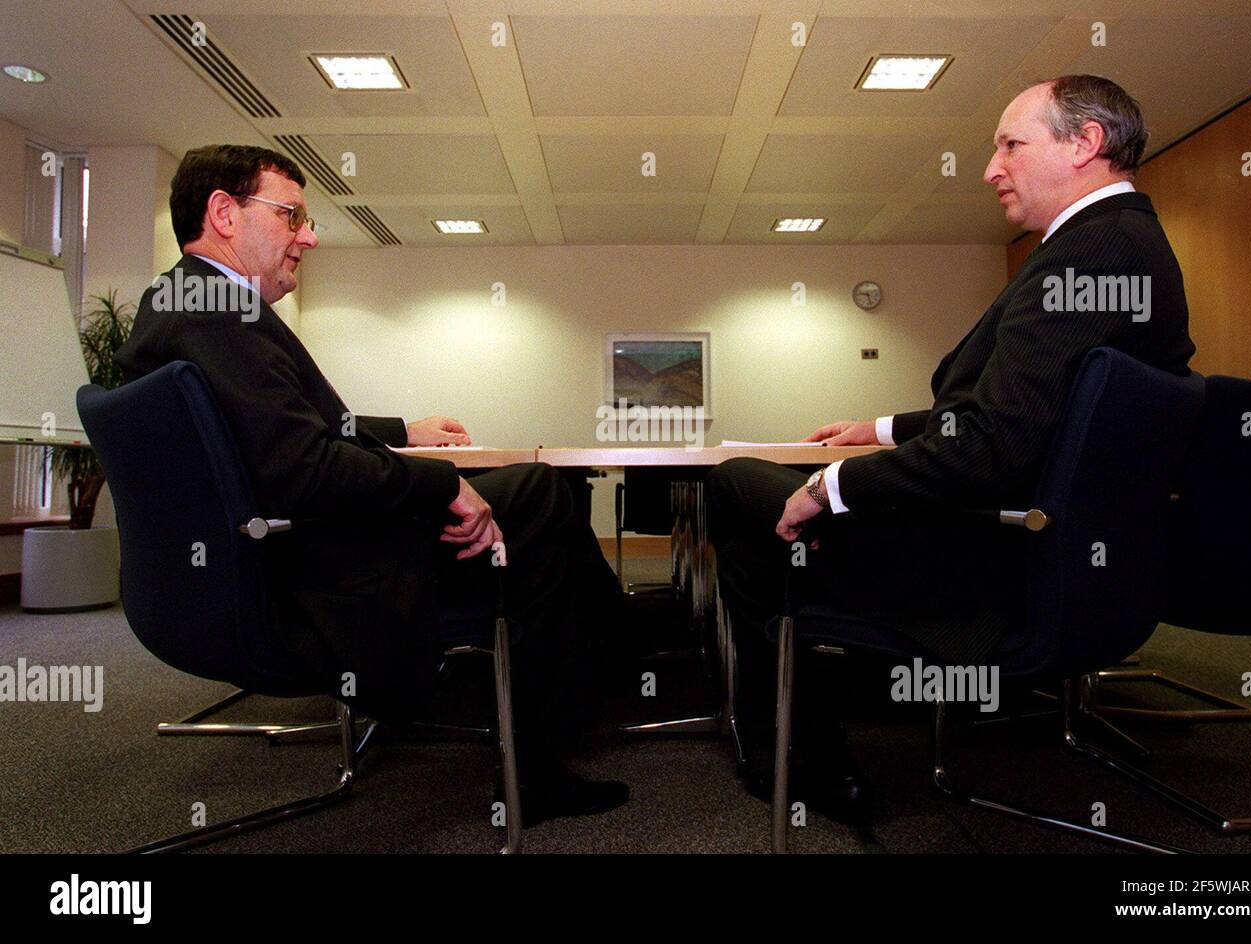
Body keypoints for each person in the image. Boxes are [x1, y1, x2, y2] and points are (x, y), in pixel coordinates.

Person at [707, 75, 1196, 830]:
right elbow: (1032, 409)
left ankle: (792, 751)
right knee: (781, 514)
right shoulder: (1127, 244)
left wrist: (835, 485)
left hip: (997, 568)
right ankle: (822, 704)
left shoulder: (1089, 256)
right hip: (1079, 561)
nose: (990, 168)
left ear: (1085, 144)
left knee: (743, 489)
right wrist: (879, 430)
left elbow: (993, 445)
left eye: (1010, 144)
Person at [115, 144, 628, 826]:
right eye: (291, 214)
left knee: (522, 500)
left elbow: (292, 429)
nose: (310, 234)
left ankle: (601, 658)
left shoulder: (180, 303)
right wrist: (440, 483)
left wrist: (403, 433)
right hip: (310, 584)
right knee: (535, 494)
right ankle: (567, 726)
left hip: (245, 569)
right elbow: (305, 467)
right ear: (224, 214)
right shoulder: (221, 314)